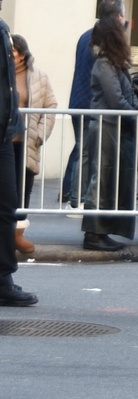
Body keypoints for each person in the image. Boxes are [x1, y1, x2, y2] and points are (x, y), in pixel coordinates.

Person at [81, 10, 138, 252]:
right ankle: (94, 234)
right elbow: (116, 100)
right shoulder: (105, 64)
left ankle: (102, 231)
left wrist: (135, 112)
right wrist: (136, 118)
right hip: (107, 125)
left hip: (114, 126)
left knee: (110, 180)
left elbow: (122, 97)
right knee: (102, 180)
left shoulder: (112, 63)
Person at [62, 0, 125, 206]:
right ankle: (76, 196)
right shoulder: (102, 39)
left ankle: (71, 191)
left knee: (82, 150)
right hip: (90, 105)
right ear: (117, 16)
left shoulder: (85, 36)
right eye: (123, 16)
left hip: (79, 100)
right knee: (86, 153)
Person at [0, 0, 38, 305]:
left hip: (6, 134)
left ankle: (3, 278)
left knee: (6, 206)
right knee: (4, 206)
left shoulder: (2, 28)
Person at [10, 35, 58, 255]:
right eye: (10, 51)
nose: (13, 55)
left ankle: (17, 234)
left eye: (16, 51)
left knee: (23, 188)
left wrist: (40, 133)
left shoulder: (39, 76)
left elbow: (50, 105)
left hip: (27, 142)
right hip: (4, 142)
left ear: (23, 53)